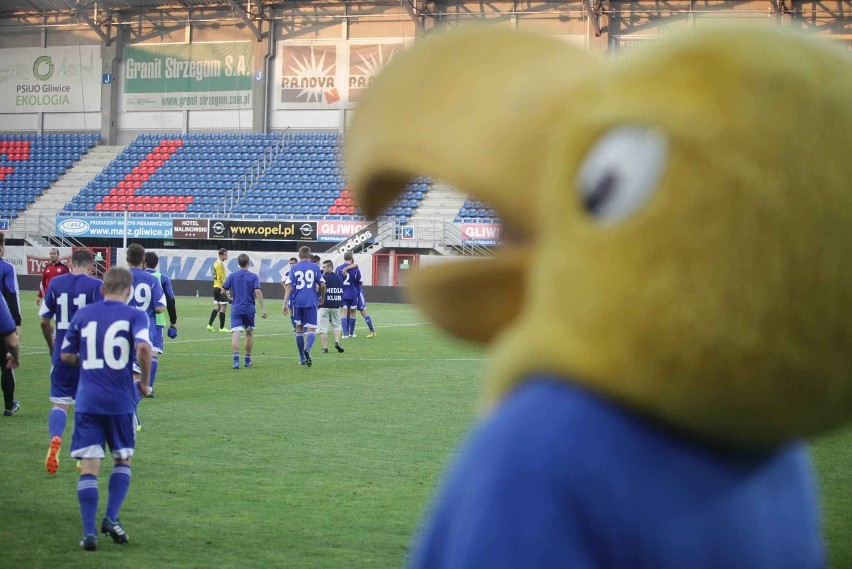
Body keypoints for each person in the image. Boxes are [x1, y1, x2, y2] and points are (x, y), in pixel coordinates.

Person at [60, 267, 152, 551]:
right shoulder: (135, 315)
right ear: (129, 290)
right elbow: (144, 349)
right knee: (122, 460)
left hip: (88, 400)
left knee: (89, 466)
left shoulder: (84, 315)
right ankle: (111, 518)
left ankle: (88, 534)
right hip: (121, 400)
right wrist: (145, 383)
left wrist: (86, 362)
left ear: (102, 289)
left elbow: (65, 355)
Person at [38, 248, 103, 475]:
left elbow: (44, 321)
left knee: (60, 404)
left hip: (62, 352)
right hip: (88, 357)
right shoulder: (96, 286)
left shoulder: (55, 284)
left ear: (71, 262)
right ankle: (83, 454)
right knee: (90, 406)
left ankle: (56, 437)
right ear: (91, 265)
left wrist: (51, 345)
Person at [221, 253, 267, 369]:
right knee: (249, 334)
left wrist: (229, 299)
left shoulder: (232, 276)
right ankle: (247, 360)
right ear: (248, 263)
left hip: (236, 308)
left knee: (235, 334)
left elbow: (222, 291)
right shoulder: (253, 276)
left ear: (238, 263)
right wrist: (263, 307)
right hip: (249, 309)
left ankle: (236, 361)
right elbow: (257, 292)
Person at [283, 246, 325, 367]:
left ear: (299, 256)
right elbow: (322, 284)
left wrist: (284, 304)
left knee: (299, 329)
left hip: (297, 302)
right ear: (310, 255)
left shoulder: (294, 268)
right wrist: (322, 296)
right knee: (312, 329)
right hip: (311, 301)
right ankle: (308, 350)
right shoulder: (315, 267)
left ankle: (302, 357)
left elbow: (289, 286)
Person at [144, 251, 177, 396]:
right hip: (156, 320)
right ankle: (148, 387)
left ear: (143, 262)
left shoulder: (134, 276)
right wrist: (173, 321)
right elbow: (170, 299)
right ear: (156, 264)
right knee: (153, 352)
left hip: (133, 319)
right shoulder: (162, 278)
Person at [0, 233, 21, 416]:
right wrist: (17, 323)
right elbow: (11, 295)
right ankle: (8, 406)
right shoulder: (6, 268)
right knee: (6, 364)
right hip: (3, 323)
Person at [335, 252, 376, 339]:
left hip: (343, 293)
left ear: (344, 258)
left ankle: (345, 334)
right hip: (354, 293)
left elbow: (337, 280)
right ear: (352, 258)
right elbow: (359, 281)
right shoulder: (356, 269)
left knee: (344, 312)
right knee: (354, 312)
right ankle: (352, 333)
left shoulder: (338, 269)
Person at [318, 260, 345, 354]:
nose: (323, 269)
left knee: (323, 328)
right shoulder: (339, 278)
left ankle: (325, 348)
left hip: (324, 305)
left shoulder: (322, 278)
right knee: (337, 325)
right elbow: (341, 291)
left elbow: (319, 289)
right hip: (336, 305)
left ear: (330, 267)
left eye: (324, 267)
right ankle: (337, 342)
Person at [207, 248, 231, 332]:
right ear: (221, 255)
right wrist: (225, 288)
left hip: (215, 287)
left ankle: (209, 325)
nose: (226, 256)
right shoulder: (220, 264)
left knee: (217, 307)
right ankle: (222, 328)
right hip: (220, 288)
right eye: (225, 255)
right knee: (223, 308)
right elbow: (220, 278)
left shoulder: (215, 263)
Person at [283, 257, 297, 332]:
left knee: (297, 309)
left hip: (298, 294)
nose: (292, 265)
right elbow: (282, 281)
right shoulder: (288, 273)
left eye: (293, 263)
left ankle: (300, 325)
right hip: (291, 295)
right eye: (290, 263)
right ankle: (295, 326)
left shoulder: (298, 272)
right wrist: (286, 288)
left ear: (296, 263)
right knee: (291, 309)